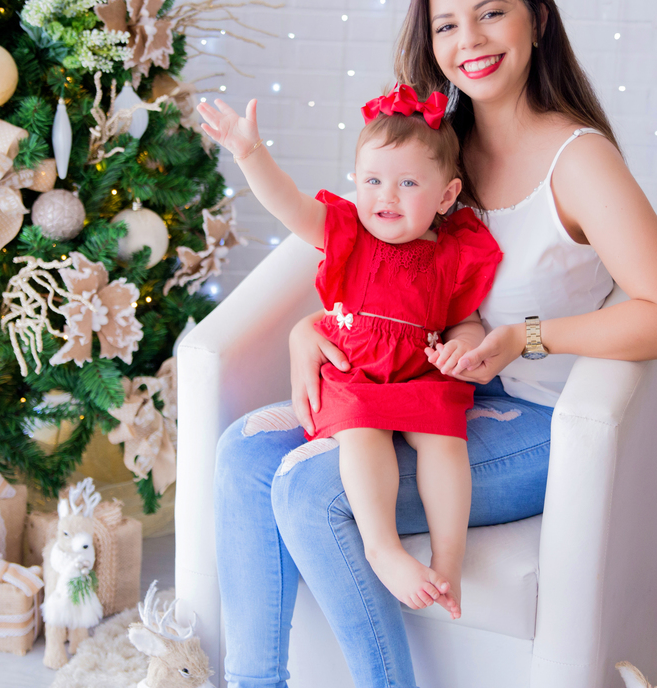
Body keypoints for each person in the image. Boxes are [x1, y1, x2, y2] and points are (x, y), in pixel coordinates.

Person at [213, 0, 657, 688]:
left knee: (309, 490)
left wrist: (524, 339)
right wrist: (309, 328)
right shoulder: (439, 147)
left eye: (490, 14)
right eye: (447, 25)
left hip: (539, 423)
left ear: (537, 18)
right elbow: (371, 258)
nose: (468, 42)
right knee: (244, 455)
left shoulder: (579, 160)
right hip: (424, 387)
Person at [198, 84, 502, 620]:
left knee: (445, 441)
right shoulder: (348, 233)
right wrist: (250, 153)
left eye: (408, 183)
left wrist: (465, 350)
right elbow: (289, 203)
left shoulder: (456, 252)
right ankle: (381, 547)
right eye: (373, 180)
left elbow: (465, 322)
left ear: (447, 195)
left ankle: (448, 561)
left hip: (422, 376)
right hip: (356, 374)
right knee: (362, 434)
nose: (386, 197)